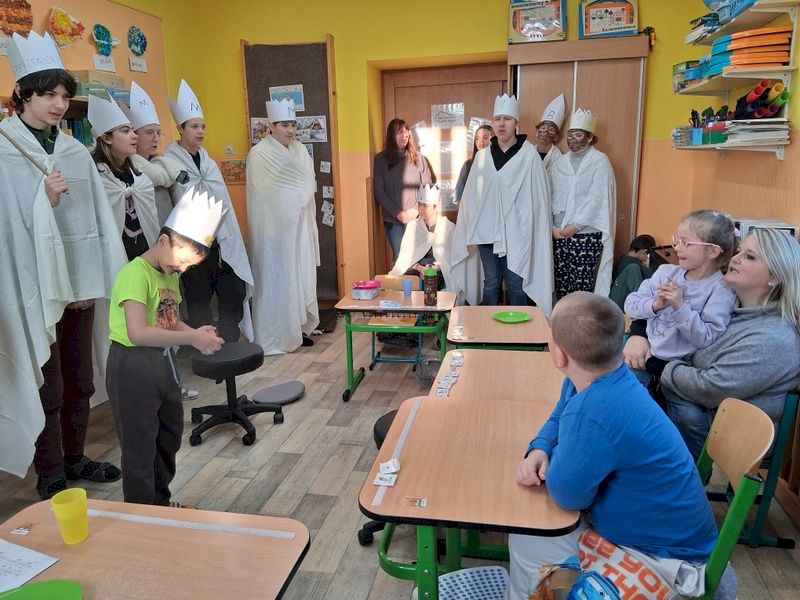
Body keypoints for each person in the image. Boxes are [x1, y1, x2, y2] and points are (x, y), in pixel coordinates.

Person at [510, 292, 717, 600]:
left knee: (528, 538)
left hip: (665, 559)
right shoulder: (601, 376)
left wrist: (557, 458)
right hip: (669, 536)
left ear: (559, 355)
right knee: (534, 527)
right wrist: (540, 448)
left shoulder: (594, 407)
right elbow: (560, 414)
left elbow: (568, 495)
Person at [0, 32, 126, 492]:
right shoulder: (5, 150)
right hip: (30, 286)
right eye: (48, 95)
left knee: (80, 379)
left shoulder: (73, 149)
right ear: (22, 94)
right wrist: (44, 200)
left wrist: (91, 280)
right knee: (46, 383)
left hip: (79, 283)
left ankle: (75, 457)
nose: (58, 104)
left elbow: (94, 221)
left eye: (64, 96)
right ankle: (49, 471)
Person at [625, 228, 800, 459]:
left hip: (717, 430)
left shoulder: (774, 338)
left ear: (775, 277)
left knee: (611, 394)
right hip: (683, 399)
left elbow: (710, 388)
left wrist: (655, 364)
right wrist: (638, 334)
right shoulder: (730, 304)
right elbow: (669, 318)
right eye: (739, 251)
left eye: (750, 256)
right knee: (605, 374)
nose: (735, 258)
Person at [106, 188, 225, 505]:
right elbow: (138, 333)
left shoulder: (169, 274)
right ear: (163, 241)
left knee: (168, 434)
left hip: (162, 363)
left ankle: (159, 503)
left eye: (189, 266)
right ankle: (142, 513)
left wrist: (196, 333)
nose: (182, 270)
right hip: (131, 366)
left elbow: (169, 321)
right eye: (182, 261)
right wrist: (191, 338)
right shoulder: (134, 275)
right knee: (139, 444)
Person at [121, 81, 199, 401]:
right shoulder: (133, 173)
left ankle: (172, 383)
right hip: (145, 256)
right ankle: (155, 387)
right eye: (147, 133)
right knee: (151, 321)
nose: (154, 138)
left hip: (170, 254)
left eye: (157, 133)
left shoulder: (164, 167)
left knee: (170, 316)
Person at [165, 80, 254, 344]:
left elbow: (222, 201)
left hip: (220, 243)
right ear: (180, 128)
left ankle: (229, 343)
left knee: (233, 292)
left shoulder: (209, 163)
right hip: (190, 245)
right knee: (198, 301)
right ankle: (204, 348)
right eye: (194, 126)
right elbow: (177, 203)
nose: (200, 131)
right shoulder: (170, 162)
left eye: (202, 126)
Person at [450, 94, 553, 312]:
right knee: (491, 283)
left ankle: (520, 331)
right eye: (497, 119)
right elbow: (471, 197)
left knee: (516, 285)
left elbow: (538, 200)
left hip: (518, 234)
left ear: (516, 122)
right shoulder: (482, 157)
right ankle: (489, 329)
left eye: (507, 119)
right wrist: (471, 223)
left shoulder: (529, 156)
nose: (502, 124)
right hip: (487, 233)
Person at [624, 210, 737, 390]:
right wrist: (655, 304)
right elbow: (630, 304)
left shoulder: (721, 290)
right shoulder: (666, 272)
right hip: (642, 356)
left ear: (713, 251)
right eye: (676, 240)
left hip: (676, 372)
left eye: (686, 243)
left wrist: (680, 306)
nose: (676, 247)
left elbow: (706, 338)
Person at [246, 98, 320, 354]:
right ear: (271, 126)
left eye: (293, 125)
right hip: (274, 231)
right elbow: (262, 193)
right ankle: (276, 334)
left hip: (299, 226)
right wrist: (292, 198)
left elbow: (308, 183)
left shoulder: (300, 150)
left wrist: (296, 197)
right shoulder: (259, 154)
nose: (290, 130)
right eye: (284, 125)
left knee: (299, 274)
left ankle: (297, 328)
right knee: (277, 279)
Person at [551, 109, 616, 299]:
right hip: (559, 234)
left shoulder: (599, 161)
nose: (572, 139)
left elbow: (597, 198)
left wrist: (575, 226)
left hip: (586, 234)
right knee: (561, 283)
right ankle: (562, 317)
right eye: (570, 135)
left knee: (581, 286)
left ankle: (580, 319)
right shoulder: (560, 163)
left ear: (589, 138)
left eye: (578, 135)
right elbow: (550, 195)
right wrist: (553, 228)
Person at [88, 92, 159, 261]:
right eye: (126, 131)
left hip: (144, 258)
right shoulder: (96, 178)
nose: (135, 136)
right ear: (106, 138)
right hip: (114, 260)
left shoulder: (140, 179)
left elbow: (151, 221)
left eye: (133, 130)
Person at [373, 118, 435, 259]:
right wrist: (398, 214)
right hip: (394, 220)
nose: (405, 135)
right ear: (391, 135)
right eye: (400, 132)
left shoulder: (419, 158)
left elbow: (428, 187)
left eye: (406, 131)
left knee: (422, 259)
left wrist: (416, 209)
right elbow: (379, 191)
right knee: (402, 260)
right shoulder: (380, 159)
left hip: (417, 218)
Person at [388, 184, 470, 291]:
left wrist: (433, 269)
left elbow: (452, 259)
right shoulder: (413, 226)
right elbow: (406, 256)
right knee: (406, 281)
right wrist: (420, 268)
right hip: (417, 269)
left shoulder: (448, 227)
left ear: (435, 207)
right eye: (419, 205)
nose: (421, 209)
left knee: (434, 281)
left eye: (425, 206)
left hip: (438, 270)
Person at [609, 234, 656, 310]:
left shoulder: (623, 260)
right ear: (644, 252)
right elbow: (652, 277)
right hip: (619, 305)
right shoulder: (633, 265)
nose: (648, 258)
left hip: (616, 300)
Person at [454, 123, 493, 203]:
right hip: (470, 208)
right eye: (477, 138)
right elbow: (458, 192)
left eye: (485, 138)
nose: (481, 141)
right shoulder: (468, 165)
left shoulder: (499, 163)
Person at [535, 93, 565, 172]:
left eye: (551, 130)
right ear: (537, 132)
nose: (545, 133)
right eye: (543, 128)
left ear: (556, 137)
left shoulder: (558, 156)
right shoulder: (529, 152)